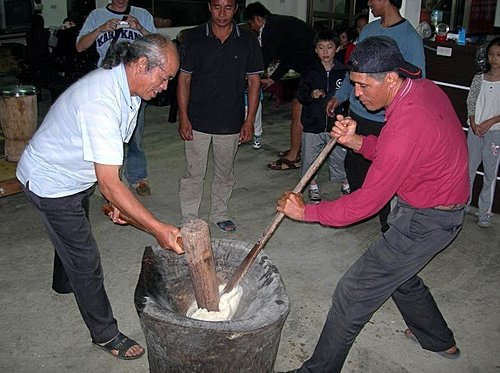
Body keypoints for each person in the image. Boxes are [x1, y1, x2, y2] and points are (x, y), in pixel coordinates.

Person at [276, 36, 468, 373]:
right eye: (353, 85)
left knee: (354, 292)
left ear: (391, 78)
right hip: (439, 204)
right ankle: (439, 339)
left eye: (363, 86)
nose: (358, 95)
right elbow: (401, 154)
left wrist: (306, 212)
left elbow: (364, 203)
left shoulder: (407, 126)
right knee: (399, 274)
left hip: (428, 218)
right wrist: (355, 141)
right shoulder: (422, 90)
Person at [16, 34, 182, 360]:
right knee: (86, 261)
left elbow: (108, 168)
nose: (165, 86)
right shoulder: (101, 102)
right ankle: (104, 333)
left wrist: (115, 198)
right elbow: (109, 182)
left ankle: (64, 283)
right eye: (164, 78)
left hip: (74, 175)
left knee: (71, 239)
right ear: (141, 64)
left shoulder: (129, 90)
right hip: (51, 183)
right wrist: (157, 228)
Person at [327, 0, 426, 232]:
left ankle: (387, 224)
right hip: (358, 114)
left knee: (382, 174)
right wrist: (340, 96)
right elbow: (355, 71)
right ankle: (358, 209)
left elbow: (417, 83)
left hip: (385, 121)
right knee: (354, 165)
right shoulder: (369, 31)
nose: (369, 2)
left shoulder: (410, 38)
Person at [177, 0, 263, 232]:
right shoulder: (194, 37)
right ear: (209, 7)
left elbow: (254, 82)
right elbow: (184, 79)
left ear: (236, 9)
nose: (222, 13)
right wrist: (183, 116)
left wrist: (249, 120)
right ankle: (190, 217)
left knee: (225, 172)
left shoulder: (247, 40)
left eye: (228, 7)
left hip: (231, 120)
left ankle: (219, 213)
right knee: (193, 172)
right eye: (217, 7)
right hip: (197, 119)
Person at [76, 0, 157, 197]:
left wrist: (140, 28)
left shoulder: (142, 13)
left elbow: (158, 46)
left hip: (136, 85)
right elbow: (80, 46)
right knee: (104, 138)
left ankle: (138, 177)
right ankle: (103, 181)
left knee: (134, 136)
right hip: (106, 87)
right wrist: (100, 29)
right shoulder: (96, 15)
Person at [243, 2, 316, 170]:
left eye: (250, 23)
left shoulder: (271, 28)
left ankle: (294, 156)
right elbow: (287, 57)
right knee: (299, 109)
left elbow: (263, 59)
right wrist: (273, 79)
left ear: (257, 19)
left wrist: (248, 75)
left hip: (314, 70)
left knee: (298, 109)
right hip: (310, 69)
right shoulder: (279, 24)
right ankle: (296, 149)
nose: (251, 27)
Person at [296, 30, 349, 203]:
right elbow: (300, 95)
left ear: (338, 48)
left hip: (336, 124)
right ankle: (312, 184)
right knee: (309, 156)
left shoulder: (344, 71)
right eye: (321, 47)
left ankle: (345, 180)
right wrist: (311, 95)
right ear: (315, 50)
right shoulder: (310, 71)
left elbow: (350, 96)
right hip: (313, 123)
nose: (325, 52)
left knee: (340, 155)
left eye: (329, 47)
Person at [466, 37, 500, 228]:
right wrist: (473, 122)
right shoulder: (479, 78)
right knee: (469, 169)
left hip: (495, 133)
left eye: (498, 55)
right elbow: (471, 101)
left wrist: (490, 122)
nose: (494, 59)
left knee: (489, 173)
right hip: (474, 131)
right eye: (491, 55)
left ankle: (484, 211)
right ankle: (463, 203)